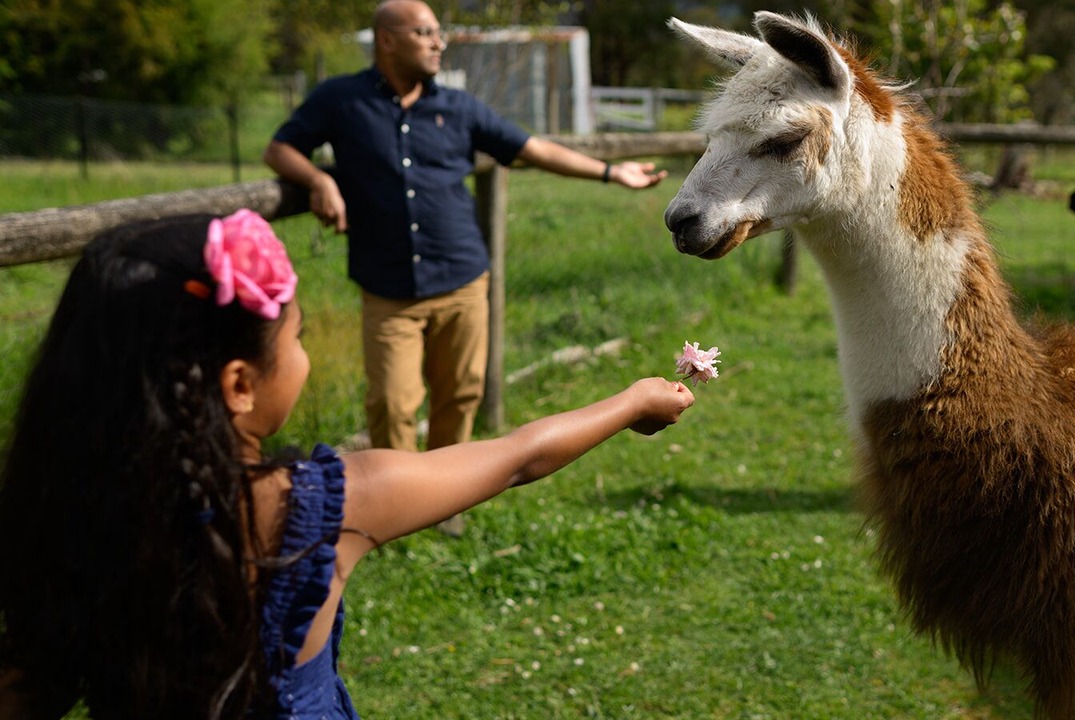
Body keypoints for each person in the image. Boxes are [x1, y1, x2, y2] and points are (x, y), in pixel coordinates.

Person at [0, 211, 694, 719]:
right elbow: (516, 458)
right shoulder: (323, 510)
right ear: (239, 384)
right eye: (295, 337)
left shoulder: (57, 519)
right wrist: (633, 401)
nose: (301, 353)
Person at [263, 0, 668, 537]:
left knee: (460, 396)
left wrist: (612, 172)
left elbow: (533, 148)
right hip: (387, 289)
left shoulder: (457, 107)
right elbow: (280, 149)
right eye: (424, 32)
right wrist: (318, 181)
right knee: (391, 403)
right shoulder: (340, 100)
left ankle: (444, 503)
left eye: (438, 32)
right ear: (387, 40)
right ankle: (387, 512)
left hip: (462, 281)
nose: (438, 42)